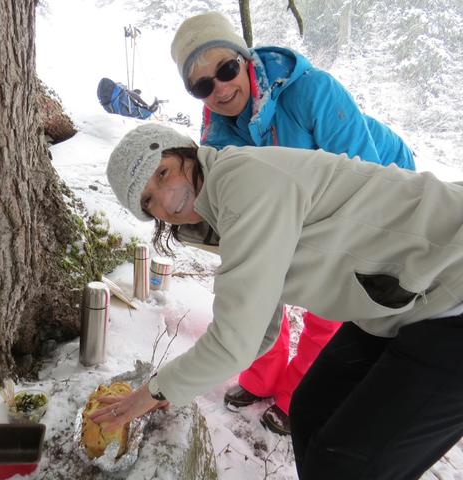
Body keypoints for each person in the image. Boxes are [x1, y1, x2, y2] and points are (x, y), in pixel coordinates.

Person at [90, 123, 463, 480]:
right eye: (148, 200)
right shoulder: (219, 214)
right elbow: (257, 333)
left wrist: (153, 392)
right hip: (400, 306)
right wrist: (172, 388)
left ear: (187, 152)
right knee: (309, 410)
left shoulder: (245, 182)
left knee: (347, 467)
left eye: (164, 173)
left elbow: (233, 343)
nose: (166, 197)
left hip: (451, 285)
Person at [166, 11, 416, 435]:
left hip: (376, 184)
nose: (221, 89)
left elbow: (368, 180)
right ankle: (261, 377)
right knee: (260, 282)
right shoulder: (217, 135)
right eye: (203, 85)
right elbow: (238, 228)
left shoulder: (312, 91)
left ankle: (296, 395)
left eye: (226, 69)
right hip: (297, 202)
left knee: (329, 298)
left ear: (243, 58)